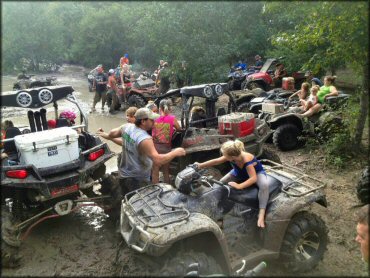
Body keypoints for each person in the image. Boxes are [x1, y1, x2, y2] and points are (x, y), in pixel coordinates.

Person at [106, 108, 186, 194]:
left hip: (123, 175)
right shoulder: (145, 138)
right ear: (143, 121)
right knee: (139, 204)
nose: (154, 122)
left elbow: (111, 133)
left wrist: (107, 135)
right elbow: (158, 160)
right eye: (151, 120)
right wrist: (175, 152)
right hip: (138, 180)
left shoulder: (126, 127)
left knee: (127, 198)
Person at [195, 140, 269, 228]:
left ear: (233, 157)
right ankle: (214, 207)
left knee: (264, 185)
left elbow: (253, 178)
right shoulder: (232, 157)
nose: (223, 157)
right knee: (219, 184)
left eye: (225, 155)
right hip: (238, 172)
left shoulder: (247, 160)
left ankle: (261, 212)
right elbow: (216, 161)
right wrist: (200, 165)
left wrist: (239, 186)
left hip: (256, 173)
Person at [151, 99, 182, 183]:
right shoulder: (172, 118)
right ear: (170, 108)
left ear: (159, 108)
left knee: (155, 169)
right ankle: (167, 188)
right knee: (166, 171)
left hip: (154, 147)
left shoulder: (154, 118)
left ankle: (155, 188)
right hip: (166, 148)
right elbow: (179, 129)